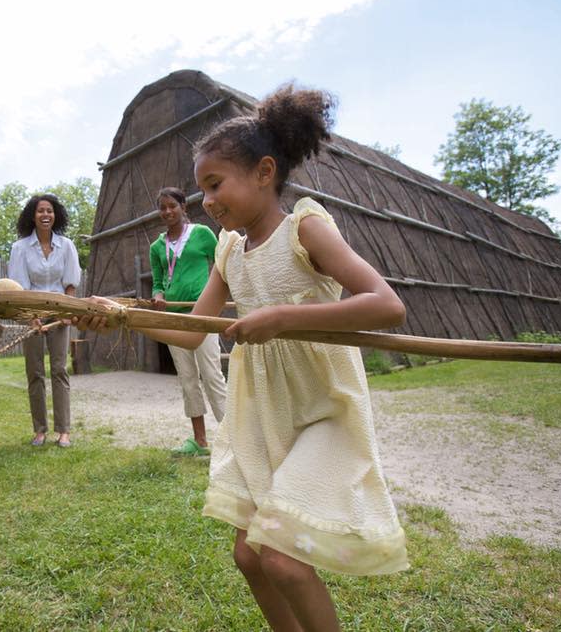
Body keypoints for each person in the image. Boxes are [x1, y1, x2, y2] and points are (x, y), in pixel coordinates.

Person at [78, 84, 408, 630]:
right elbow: (191, 332)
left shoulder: (305, 228)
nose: (205, 200)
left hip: (323, 409)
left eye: (214, 184)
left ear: (263, 172)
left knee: (283, 558)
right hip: (263, 411)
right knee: (249, 556)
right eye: (201, 189)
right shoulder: (229, 249)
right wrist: (120, 315)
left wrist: (282, 318)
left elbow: (386, 305)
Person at [149, 186, 227, 457]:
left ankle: (232, 439)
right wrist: (157, 295)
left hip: (203, 315)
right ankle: (200, 441)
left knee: (212, 374)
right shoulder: (156, 247)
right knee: (187, 379)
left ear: (184, 207)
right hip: (173, 318)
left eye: (173, 205)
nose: (168, 211)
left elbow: (223, 264)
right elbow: (158, 282)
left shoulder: (202, 234)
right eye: (163, 207)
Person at [8, 194, 81, 448]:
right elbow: (20, 288)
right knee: (35, 372)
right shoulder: (20, 248)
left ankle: (64, 431)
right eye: (40, 211)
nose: (45, 215)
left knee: (60, 369)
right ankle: (40, 430)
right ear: (33, 215)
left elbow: (70, 283)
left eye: (49, 210)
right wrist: (32, 318)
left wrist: (66, 310)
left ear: (56, 214)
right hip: (33, 313)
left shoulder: (67, 245)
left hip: (59, 312)